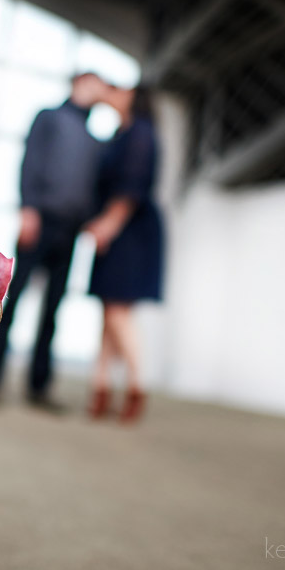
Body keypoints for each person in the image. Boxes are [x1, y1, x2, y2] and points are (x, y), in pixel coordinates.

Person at [0, 72, 108, 410]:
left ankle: (39, 386)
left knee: (53, 309)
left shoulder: (96, 139)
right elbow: (31, 162)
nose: (97, 92)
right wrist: (28, 209)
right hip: (39, 220)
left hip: (71, 232)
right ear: (78, 84)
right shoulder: (49, 118)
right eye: (93, 84)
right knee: (16, 300)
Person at [84, 83, 164, 423]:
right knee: (109, 310)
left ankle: (137, 386)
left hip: (130, 230)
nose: (114, 93)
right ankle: (101, 387)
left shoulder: (141, 134)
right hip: (121, 228)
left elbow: (132, 186)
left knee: (118, 311)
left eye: (122, 89)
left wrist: (109, 224)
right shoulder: (123, 133)